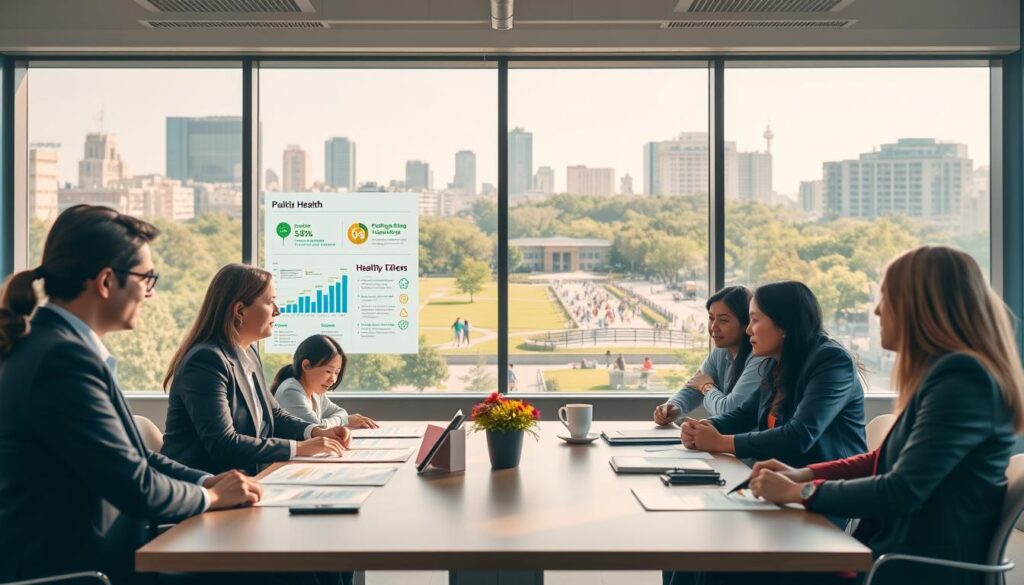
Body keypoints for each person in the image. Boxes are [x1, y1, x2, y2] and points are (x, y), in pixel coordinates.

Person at [0, 205, 261, 585]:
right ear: (106, 281)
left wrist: (207, 482)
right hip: (84, 571)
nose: (150, 293)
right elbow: (137, 486)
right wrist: (214, 498)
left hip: (102, 557)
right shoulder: (62, 359)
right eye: (146, 278)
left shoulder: (56, 346)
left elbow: (136, 458)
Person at [749, 246, 1024, 585]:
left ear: (920, 307)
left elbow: (901, 490)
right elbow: (881, 460)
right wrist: (801, 474)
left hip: (908, 570)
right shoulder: (945, 375)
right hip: (892, 557)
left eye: (886, 298)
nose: (877, 310)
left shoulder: (963, 381)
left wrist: (801, 493)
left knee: (731, 569)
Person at [161, 264, 351, 477]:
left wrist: (315, 432)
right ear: (240, 311)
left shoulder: (249, 352)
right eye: (270, 301)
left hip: (247, 476)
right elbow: (223, 444)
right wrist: (298, 448)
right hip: (206, 484)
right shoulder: (206, 361)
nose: (277, 310)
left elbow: (275, 415)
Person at [680, 281, 866, 469]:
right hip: (781, 477)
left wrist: (720, 442)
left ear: (783, 325)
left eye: (755, 320)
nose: (748, 330)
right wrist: (705, 427)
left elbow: (799, 435)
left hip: (826, 481)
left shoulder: (832, 361)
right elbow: (746, 414)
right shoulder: (777, 361)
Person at [653, 286, 767, 424]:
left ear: (746, 323)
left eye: (723, 320)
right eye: (711, 318)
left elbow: (730, 411)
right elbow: (694, 386)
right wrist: (674, 407)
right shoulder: (720, 351)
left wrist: (706, 387)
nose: (713, 327)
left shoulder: (760, 358)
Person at [272, 334, 379, 429]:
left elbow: (341, 412)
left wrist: (343, 419)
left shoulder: (315, 391)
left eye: (336, 372)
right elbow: (317, 428)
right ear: (306, 365)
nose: (333, 379)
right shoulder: (290, 391)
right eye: (328, 371)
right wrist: (344, 421)